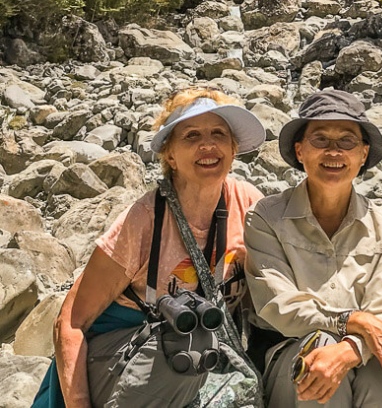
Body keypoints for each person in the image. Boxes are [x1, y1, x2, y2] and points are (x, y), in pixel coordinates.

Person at [33, 87, 266, 408]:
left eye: (218, 133)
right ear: (169, 155)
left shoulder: (248, 204)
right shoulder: (143, 222)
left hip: (199, 359)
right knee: (191, 340)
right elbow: (70, 323)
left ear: (233, 147)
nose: (207, 145)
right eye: (191, 136)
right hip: (121, 362)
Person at [244, 88, 382, 407]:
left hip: (359, 353)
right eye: (320, 139)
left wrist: (351, 346)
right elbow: (279, 305)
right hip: (290, 358)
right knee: (319, 352)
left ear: (363, 154)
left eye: (347, 141)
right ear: (300, 151)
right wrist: (353, 321)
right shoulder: (266, 218)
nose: (334, 152)